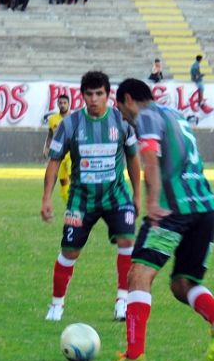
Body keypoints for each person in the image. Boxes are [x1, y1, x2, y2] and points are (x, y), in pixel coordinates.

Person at [106, 78, 214, 361]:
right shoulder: (175, 115)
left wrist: (153, 200)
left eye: (119, 105)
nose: (121, 113)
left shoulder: (146, 116)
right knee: (182, 284)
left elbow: (150, 155)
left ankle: (134, 355)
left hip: (172, 210)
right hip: (206, 207)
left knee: (138, 274)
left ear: (127, 99)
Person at [42, 72, 141, 323]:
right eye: (89, 94)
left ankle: (122, 301)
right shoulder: (71, 124)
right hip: (81, 199)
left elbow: (132, 157)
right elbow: (54, 162)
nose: (94, 99)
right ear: (82, 95)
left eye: (100, 94)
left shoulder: (121, 121)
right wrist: (46, 198)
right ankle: (57, 305)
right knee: (69, 252)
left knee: (127, 241)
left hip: (116, 196)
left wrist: (137, 195)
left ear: (108, 95)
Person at [43, 94, 72, 202]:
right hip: (59, 154)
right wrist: (46, 147)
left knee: (73, 177)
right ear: (57, 104)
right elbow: (50, 135)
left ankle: (78, 201)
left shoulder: (73, 118)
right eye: (60, 103)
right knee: (63, 181)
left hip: (71, 153)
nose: (62, 105)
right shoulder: (53, 120)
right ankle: (68, 202)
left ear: (69, 104)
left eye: (65, 103)